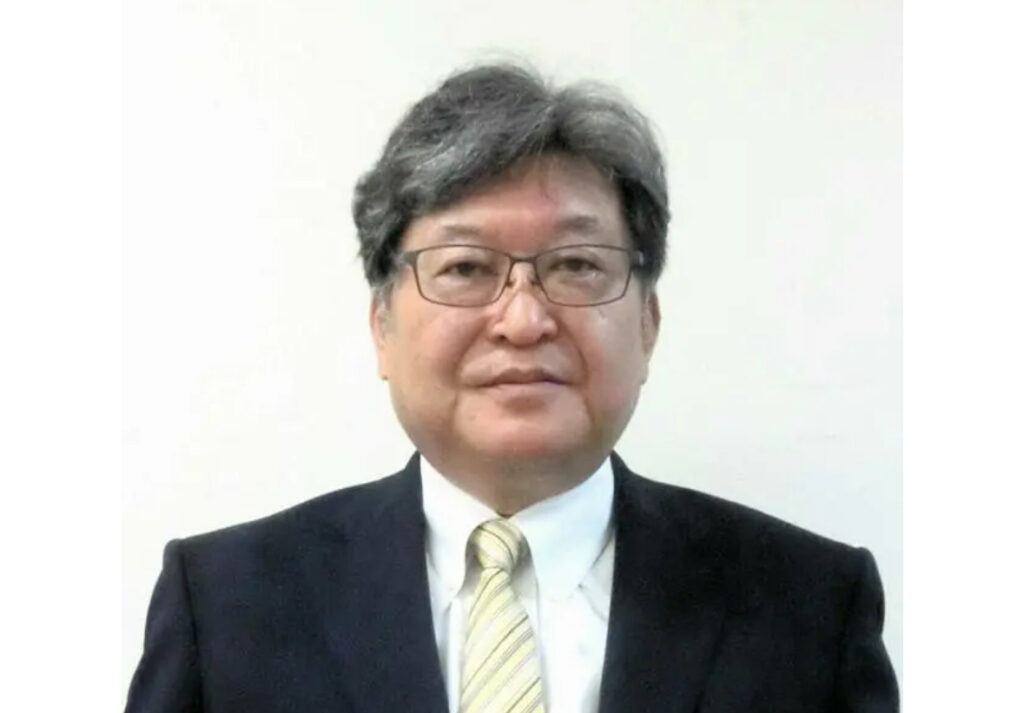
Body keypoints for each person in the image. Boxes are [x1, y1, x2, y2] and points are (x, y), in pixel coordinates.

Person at [125, 63, 899, 713]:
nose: (524, 320)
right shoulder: (226, 604)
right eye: (466, 267)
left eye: (577, 265)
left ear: (648, 324)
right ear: (382, 326)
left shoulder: (811, 605)